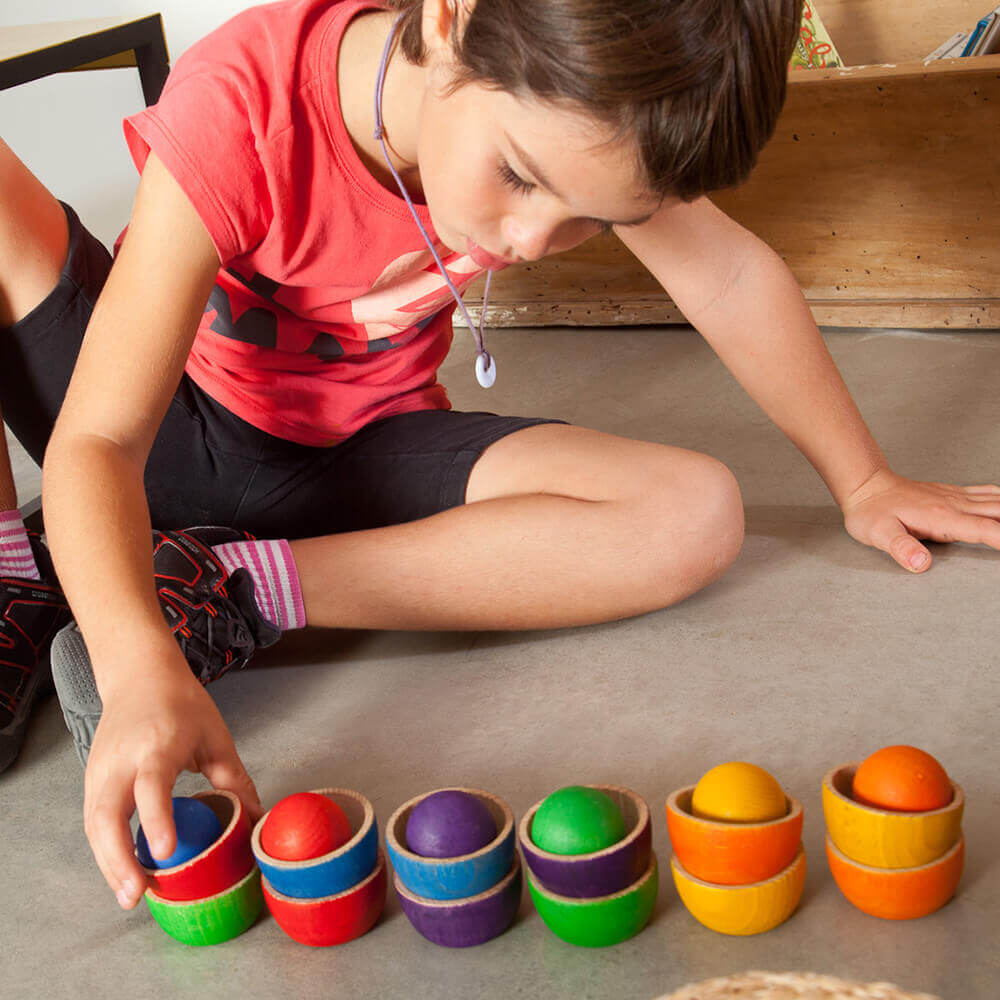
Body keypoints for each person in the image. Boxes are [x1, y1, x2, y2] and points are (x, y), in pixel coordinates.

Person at [1, 0, 997, 912]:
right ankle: (15, 574)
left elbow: (730, 275)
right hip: (164, 417)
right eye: (519, 176)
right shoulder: (246, 92)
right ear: (451, 13)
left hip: (353, 468)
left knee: (694, 511)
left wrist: (862, 479)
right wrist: (135, 671)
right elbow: (99, 436)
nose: (527, 239)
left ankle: (225, 587)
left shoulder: (596, 108)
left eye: (593, 219)